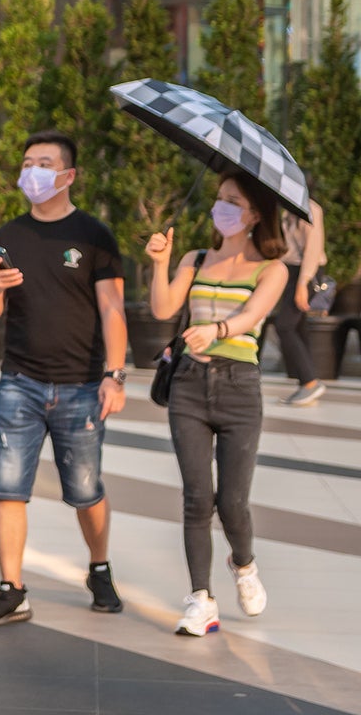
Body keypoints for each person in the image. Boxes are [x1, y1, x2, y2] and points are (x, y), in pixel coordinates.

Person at [0, 129, 128, 627]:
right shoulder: (10, 235)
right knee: (7, 487)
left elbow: (113, 309)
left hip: (82, 386)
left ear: (68, 175)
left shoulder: (94, 235)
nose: (31, 172)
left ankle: (99, 567)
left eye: (43, 163)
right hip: (20, 381)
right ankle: (12, 588)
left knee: (84, 490)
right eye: (27, 162)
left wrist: (115, 375)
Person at [145, 170, 287, 637]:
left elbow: (252, 316)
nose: (221, 207)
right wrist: (160, 263)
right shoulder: (196, 257)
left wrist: (218, 330)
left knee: (232, 502)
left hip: (239, 388)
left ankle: (243, 564)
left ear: (255, 216)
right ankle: (201, 599)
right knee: (196, 498)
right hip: (188, 383)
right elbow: (164, 309)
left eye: (234, 201)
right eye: (219, 198)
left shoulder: (273, 268)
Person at [273, 191, 327, 405]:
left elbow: (313, 250)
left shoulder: (311, 210)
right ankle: (307, 383)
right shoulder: (287, 209)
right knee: (298, 327)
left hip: (306, 272)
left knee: (284, 326)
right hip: (290, 270)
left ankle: (311, 382)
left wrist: (303, 283)